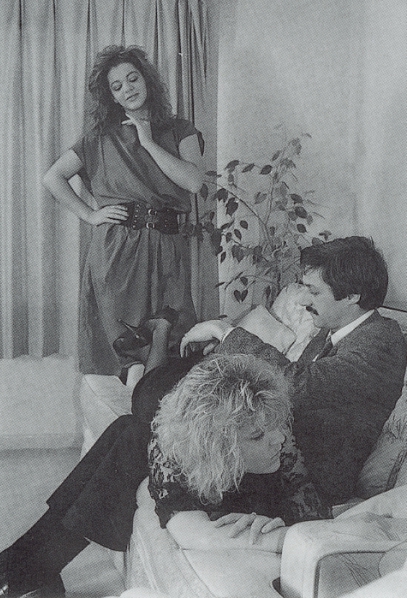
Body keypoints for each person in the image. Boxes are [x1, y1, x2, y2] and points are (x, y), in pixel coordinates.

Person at [0, 355, 328, 598]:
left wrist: (281, 534)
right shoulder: (179, 450)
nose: (278, 438)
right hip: (214, 464)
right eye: (258, 435)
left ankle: (24, 566)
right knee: (131, 430)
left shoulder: (284, 447)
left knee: (130, 433)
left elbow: (319, 529)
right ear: (214, 446)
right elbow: (185, 525)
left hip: (247, 482)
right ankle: (28, 567)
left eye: (277, 427)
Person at [180, 236, 407, 505]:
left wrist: (225, 332)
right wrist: (228, 353)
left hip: (312, 478)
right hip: (281, 450)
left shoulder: (381, 339)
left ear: (352, 296)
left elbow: (298, 385)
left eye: (314, 292)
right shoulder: (334, 330)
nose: (303, 300)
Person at [43, 45, 204, 380]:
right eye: (117, 86)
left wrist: (148, 142)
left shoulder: (180, 129)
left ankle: (147, 400)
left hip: (168, 246)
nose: (127, 89)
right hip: (118, 251)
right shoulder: (99, 138)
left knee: (168, 337)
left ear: (147, 79)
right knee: (129, 350)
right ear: (112, 97)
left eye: (133, 78)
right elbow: (52, 177)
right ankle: (135, 399)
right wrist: (90, 215)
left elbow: (193, 181)